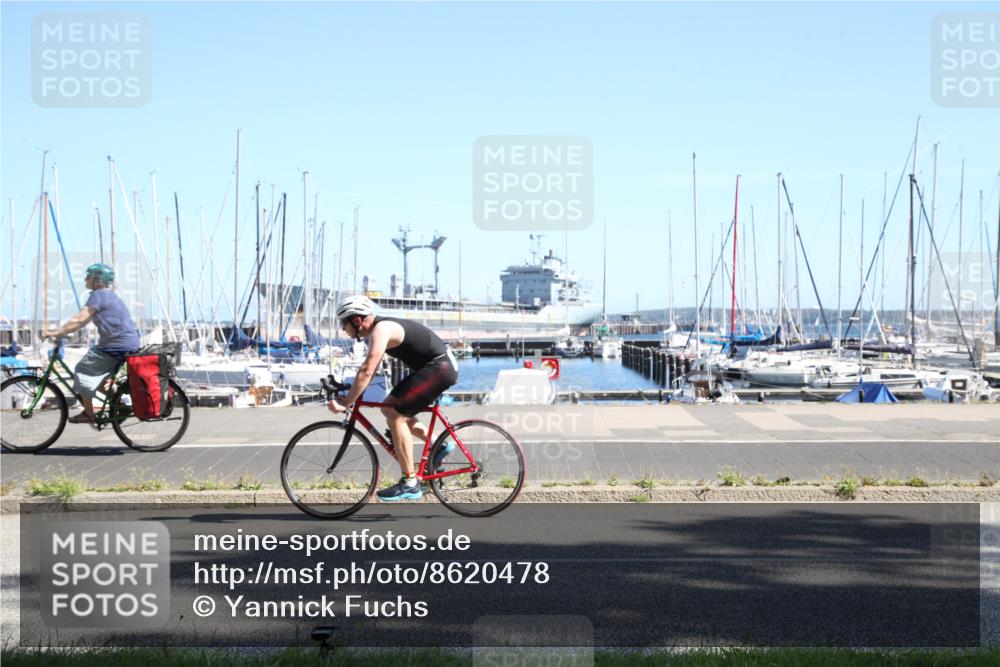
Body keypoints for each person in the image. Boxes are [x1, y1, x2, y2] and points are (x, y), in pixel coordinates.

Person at [328, 295, 458, 501]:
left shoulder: (381, 329)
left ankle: (410, 483)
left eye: (344, 324)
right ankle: (438, 445)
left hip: (439, 368)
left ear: (356, 320)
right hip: (433, 367)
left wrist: (347, 402)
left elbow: (368, 369)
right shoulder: (380, 329)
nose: (344, 330)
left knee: (397, 417)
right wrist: (349, 391)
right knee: (388, 407)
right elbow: (367, 370)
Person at [42, 263, 141, 424]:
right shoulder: (111, 295)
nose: (85, 279)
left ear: (97, 280)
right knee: (99, 377)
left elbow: (80, 319)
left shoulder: (99, 295)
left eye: (88, 276)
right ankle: (119, 404)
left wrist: (56, 332)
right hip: (128, 344)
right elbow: (82, 320)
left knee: (82, 369)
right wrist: (64, 331)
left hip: (116, 346)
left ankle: (88, 413)